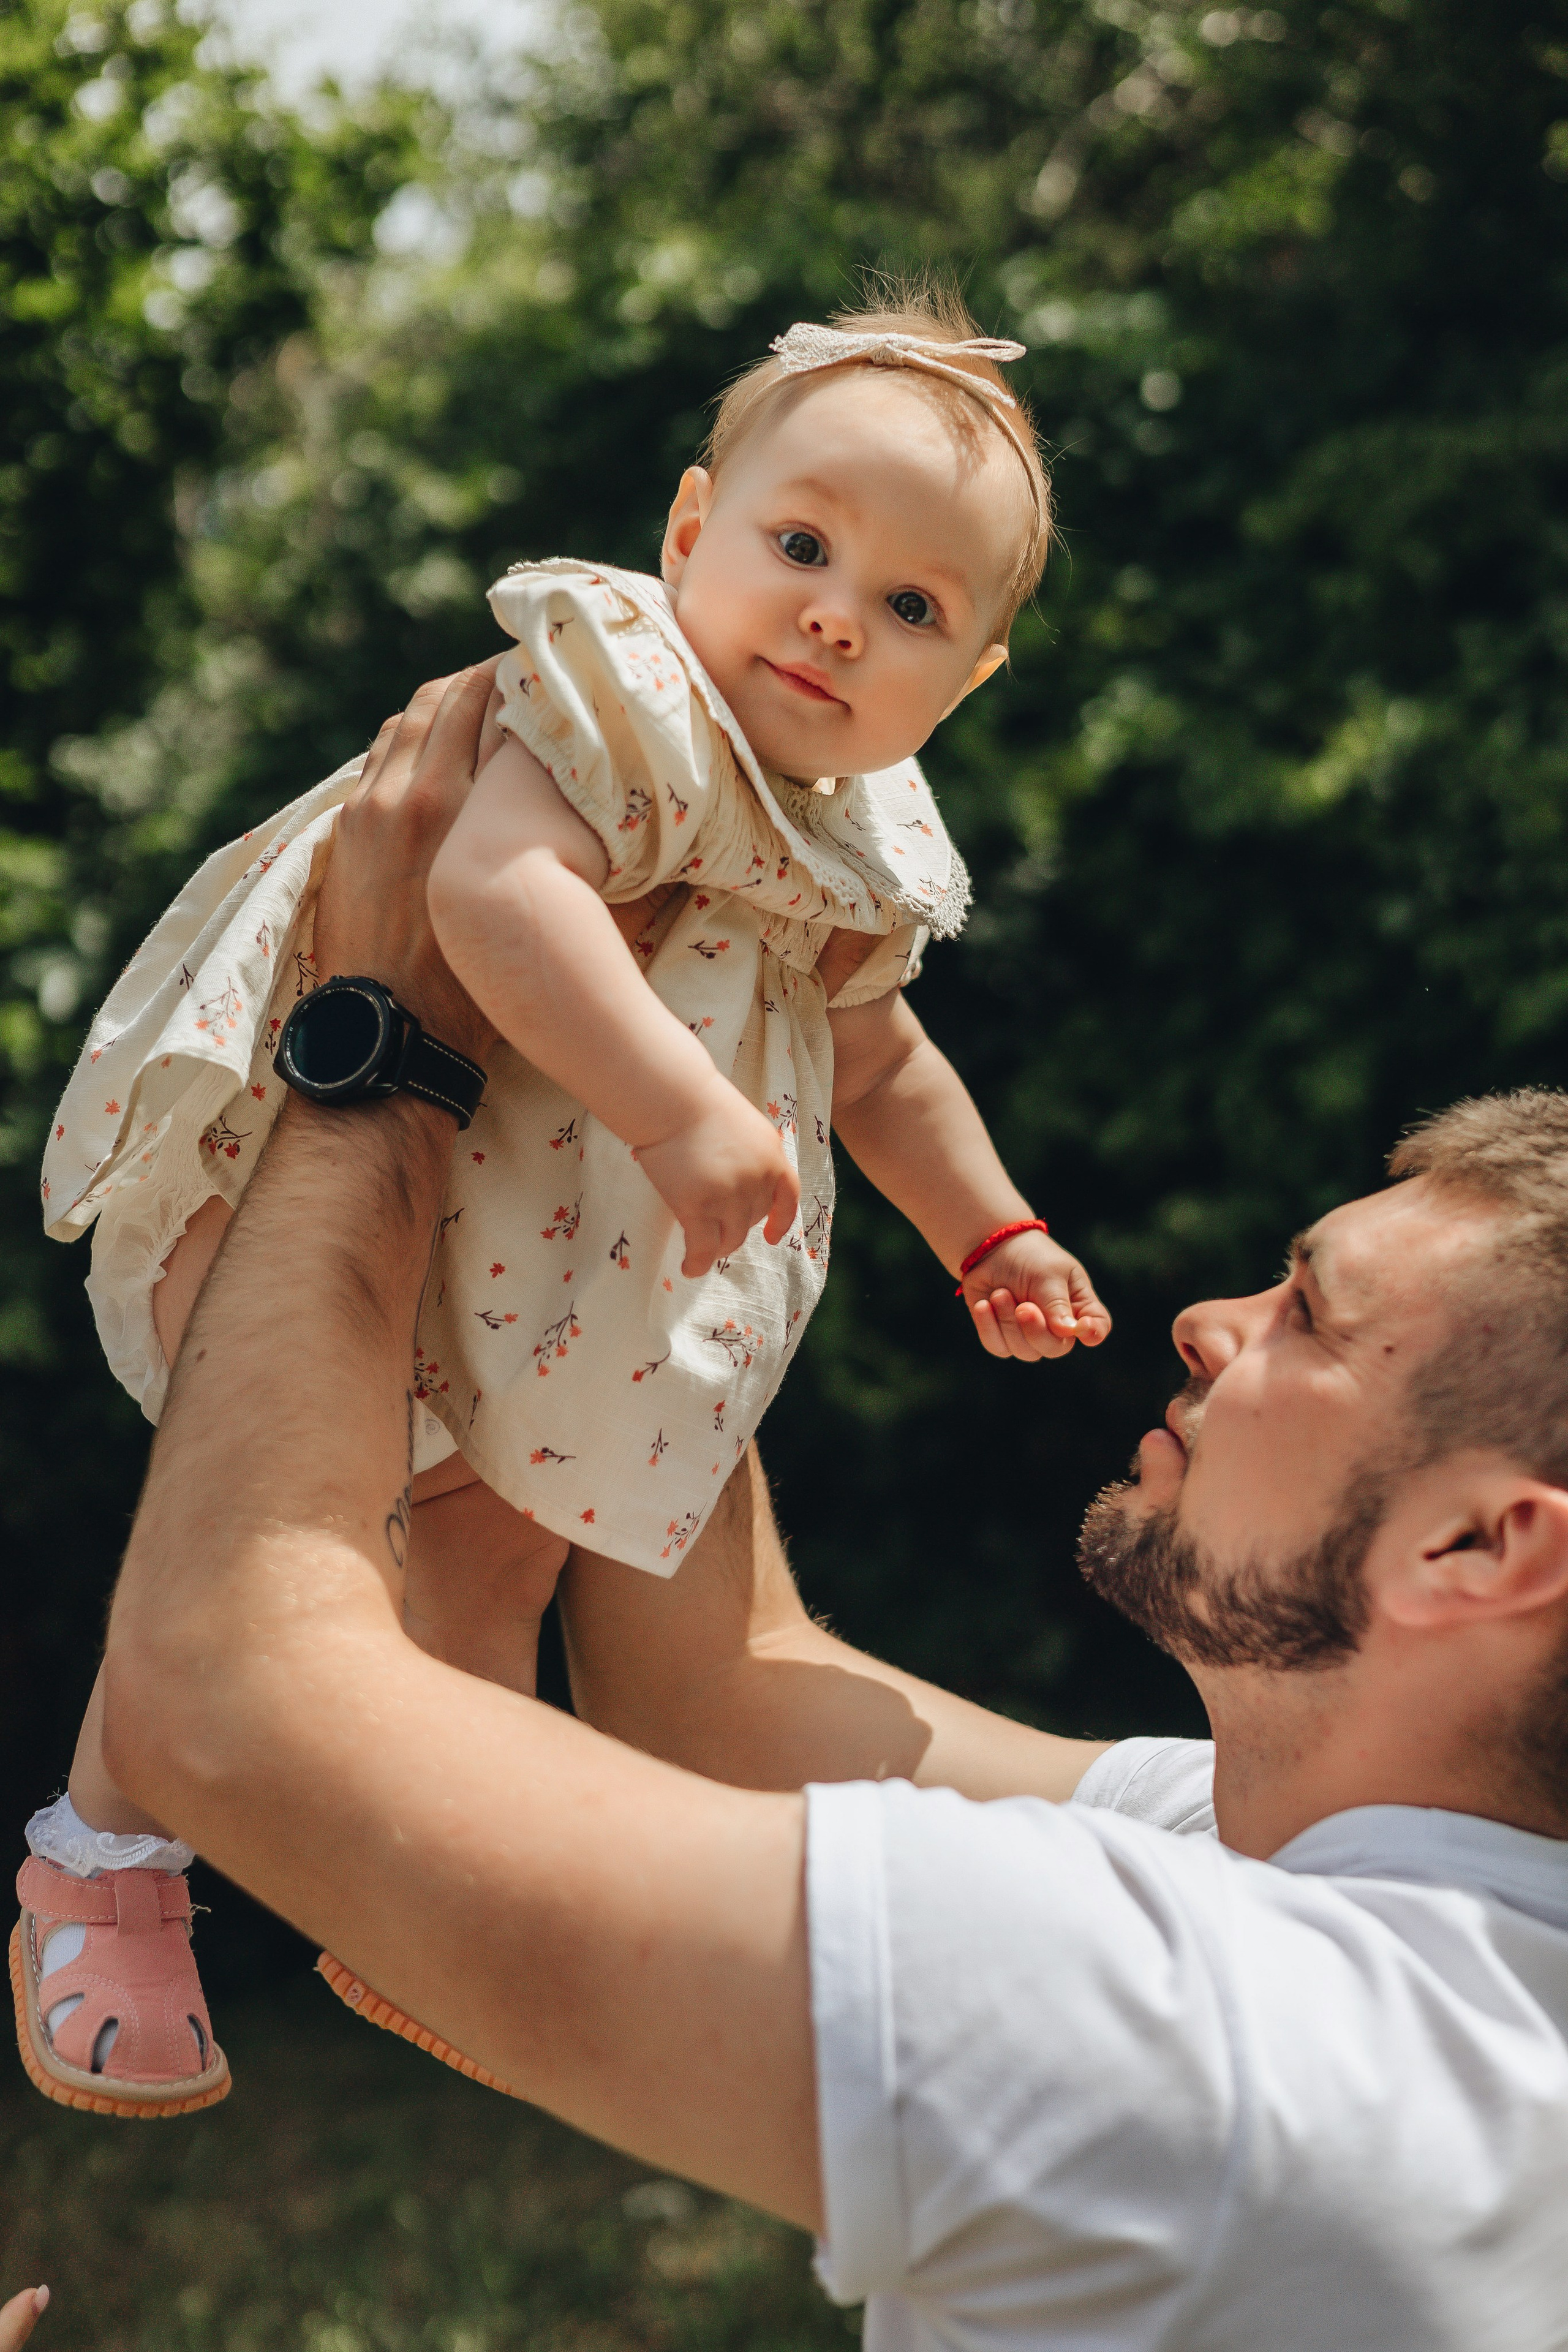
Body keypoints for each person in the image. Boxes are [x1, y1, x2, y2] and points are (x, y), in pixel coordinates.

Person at [67, 666, 1568, 2348]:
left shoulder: (1204, 2034)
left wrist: (388, 1041)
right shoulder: (1340, 1906)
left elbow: (223, 1690)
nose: (1213, 1323)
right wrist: (650, 1063)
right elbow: (727, 1691)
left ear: (1481, 1546)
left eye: (1311, 1318)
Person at [17, 286, 1114, 2112]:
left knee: (495, 1560)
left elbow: (882, 1067)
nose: (838, 615)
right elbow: (493, 896)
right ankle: (103, 1859)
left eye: (914, 608)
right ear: (691, 530)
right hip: (339, 1157)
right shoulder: (631, 696)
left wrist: (990, 1228)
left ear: (974, 678)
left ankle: (442, 1895)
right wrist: (682, 1111)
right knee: (265, 1526)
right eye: (801, 546)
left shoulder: (857, 836)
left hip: (544, 1258)